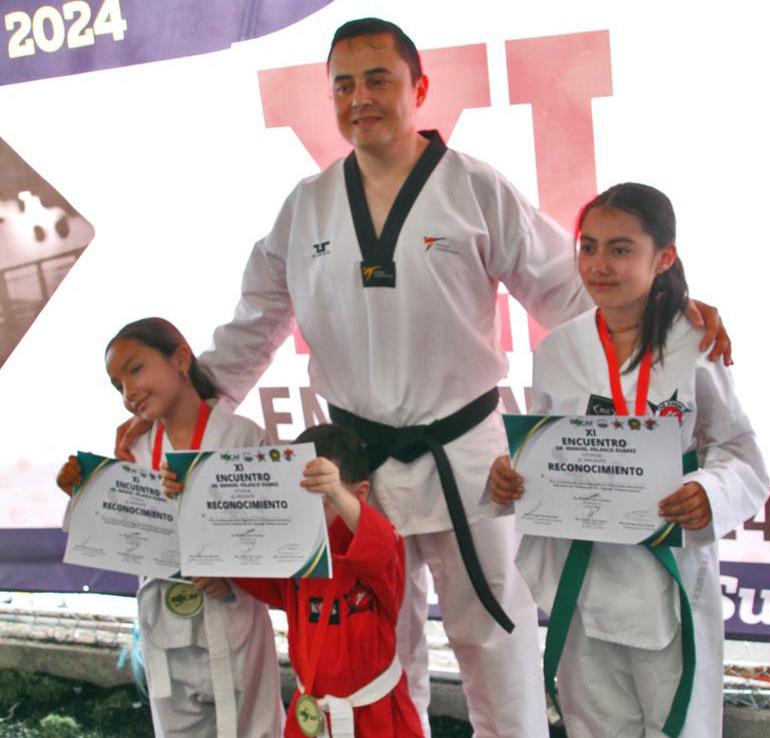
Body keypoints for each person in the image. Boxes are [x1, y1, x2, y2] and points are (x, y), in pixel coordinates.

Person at [116, 19, 731, 737]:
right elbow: (255, 323)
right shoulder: (306, 206)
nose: (360, 98)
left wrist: (666, 308)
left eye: (378, 79)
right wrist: (181, 408)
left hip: (465, 456)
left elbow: (569, 290)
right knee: (375, 649)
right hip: (354, 470)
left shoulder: (474, 188)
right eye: (344, 85)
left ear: (419, 87)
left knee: (495, 642)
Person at [489, 182, 769, 737]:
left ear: (663, 257)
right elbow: (545, 447)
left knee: (681, 725)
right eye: (588, 247)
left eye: (621, 249)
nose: (599, 265)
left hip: (669, 576)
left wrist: (709, 492)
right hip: (585, 575)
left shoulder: (694, 344)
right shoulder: (558, 351)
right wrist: (508, 476)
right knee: (593, 726)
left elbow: (738, 451)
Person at [57, 318, 285, 738]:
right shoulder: (135, 450)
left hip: (233, 618)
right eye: (118, 384)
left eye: (136, 369)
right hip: (166, 628)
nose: (129, 391)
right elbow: (117, 536)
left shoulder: (243, 438)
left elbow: (275, 535)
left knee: (256, 730)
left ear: (180, 359)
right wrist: (82, 492)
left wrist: (234, 574)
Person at [211, 423, 422, 738]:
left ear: (360, 494)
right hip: (311, 714)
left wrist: (336, 493)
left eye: (322, 498)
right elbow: (253, 568)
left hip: (376, 716)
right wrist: (221, 571)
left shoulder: (381, 548)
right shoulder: (295, 550)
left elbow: (380, 546)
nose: (308, 509)